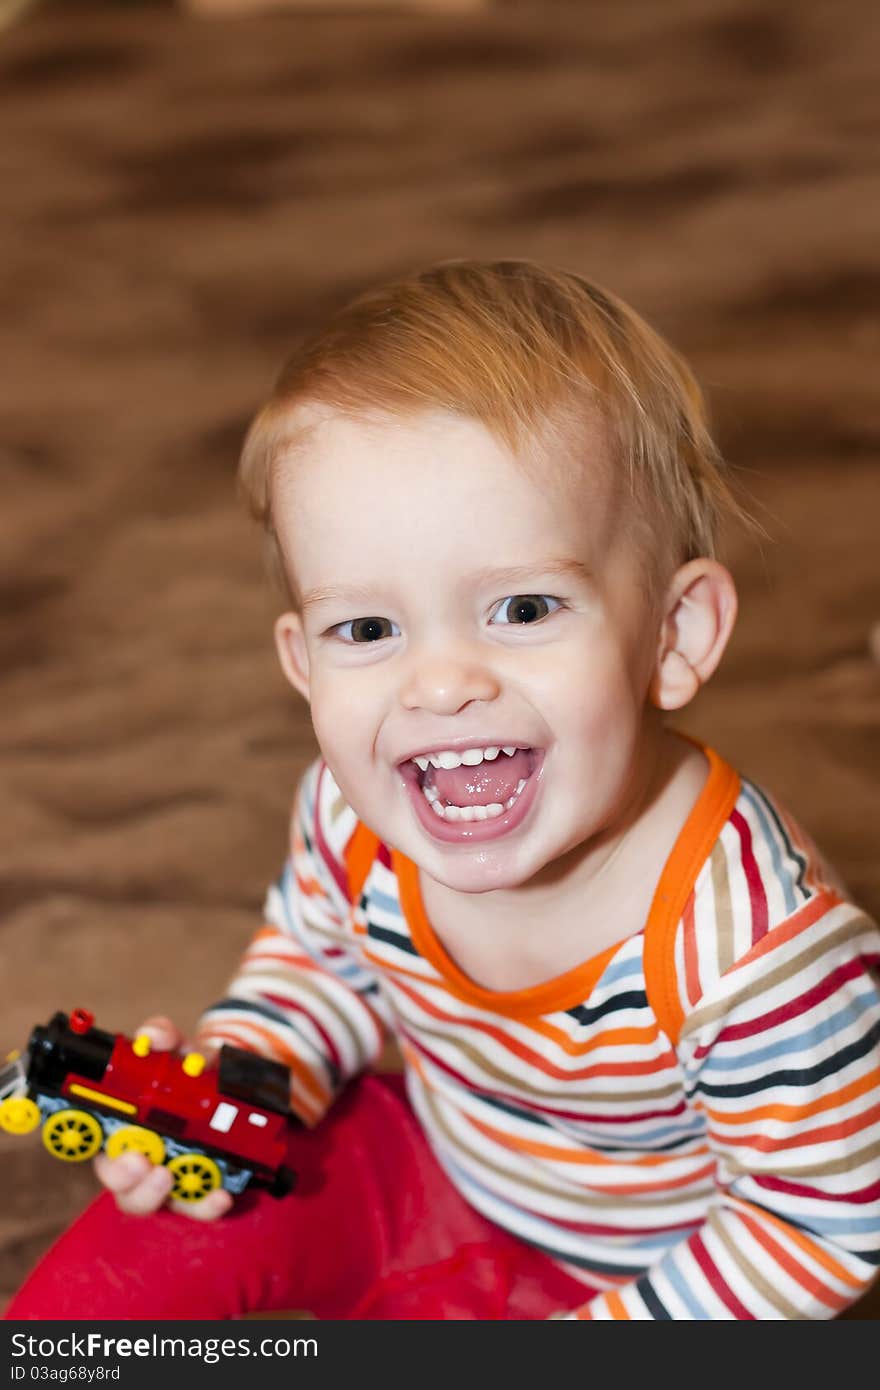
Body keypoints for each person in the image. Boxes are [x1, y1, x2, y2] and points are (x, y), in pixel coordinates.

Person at [7, 259, 880, 1321]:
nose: (441, 684)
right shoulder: (350, 812)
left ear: (673, 634)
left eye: (520, 608)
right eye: (367, 630)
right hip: (426, 1163)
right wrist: (254, 1070)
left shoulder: (760, 958)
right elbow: (320, 965)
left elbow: (819, 1223)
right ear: (303, 664)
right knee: (101, 1294)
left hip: (663, 1273)